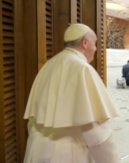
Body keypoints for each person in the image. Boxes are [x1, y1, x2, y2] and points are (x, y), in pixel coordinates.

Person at [24, 24, 119, 163]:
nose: (96, 49)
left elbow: (33, 119)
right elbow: (96, 134)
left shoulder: (48, 65)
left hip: (37, 149)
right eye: (95, 44)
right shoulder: (83, 68)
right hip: (66, 154)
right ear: (85, 43)